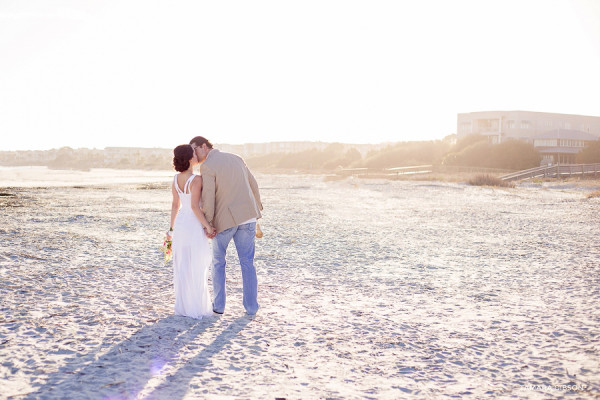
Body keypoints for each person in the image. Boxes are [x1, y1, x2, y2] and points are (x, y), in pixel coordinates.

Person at [189, 136, 263, 315]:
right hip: (248, 217)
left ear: (204, 147)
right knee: (247, 263)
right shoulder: (237, 158)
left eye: (195, 150)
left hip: (225, 221)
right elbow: (254, 185)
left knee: (218, 263)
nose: (194, 154)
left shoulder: (208, 166)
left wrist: (208, 224)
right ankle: (251, 308)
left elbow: (209, 198)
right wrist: (257, 211)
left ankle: (219, 306)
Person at [167, 144, 215, 319]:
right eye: (194, 153)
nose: (196, 155)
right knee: (196, 264)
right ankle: (195, 307)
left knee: (183, 265)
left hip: (180, 224)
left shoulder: (175, 179)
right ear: (189, 158)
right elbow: (195, 207)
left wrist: (171, 229)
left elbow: (175, 205)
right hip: (193, 224)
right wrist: (208, 226)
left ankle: (184, 306)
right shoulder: (196, 179)